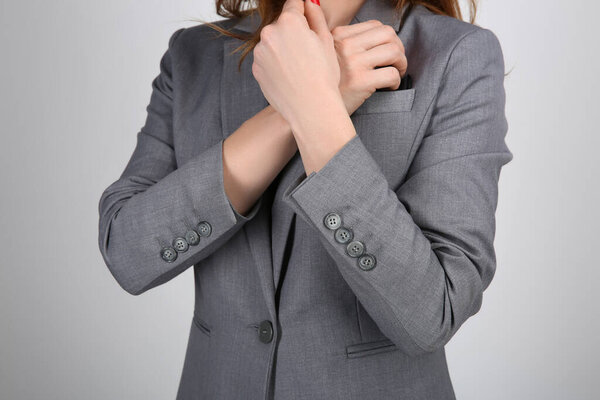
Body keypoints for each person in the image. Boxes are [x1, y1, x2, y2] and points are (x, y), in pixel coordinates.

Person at [97, 0, 512, 398]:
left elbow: (432, 314)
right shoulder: (193, 55)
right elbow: (127, 254)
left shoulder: (457, 53)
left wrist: (316, 110)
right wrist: (295, 106)